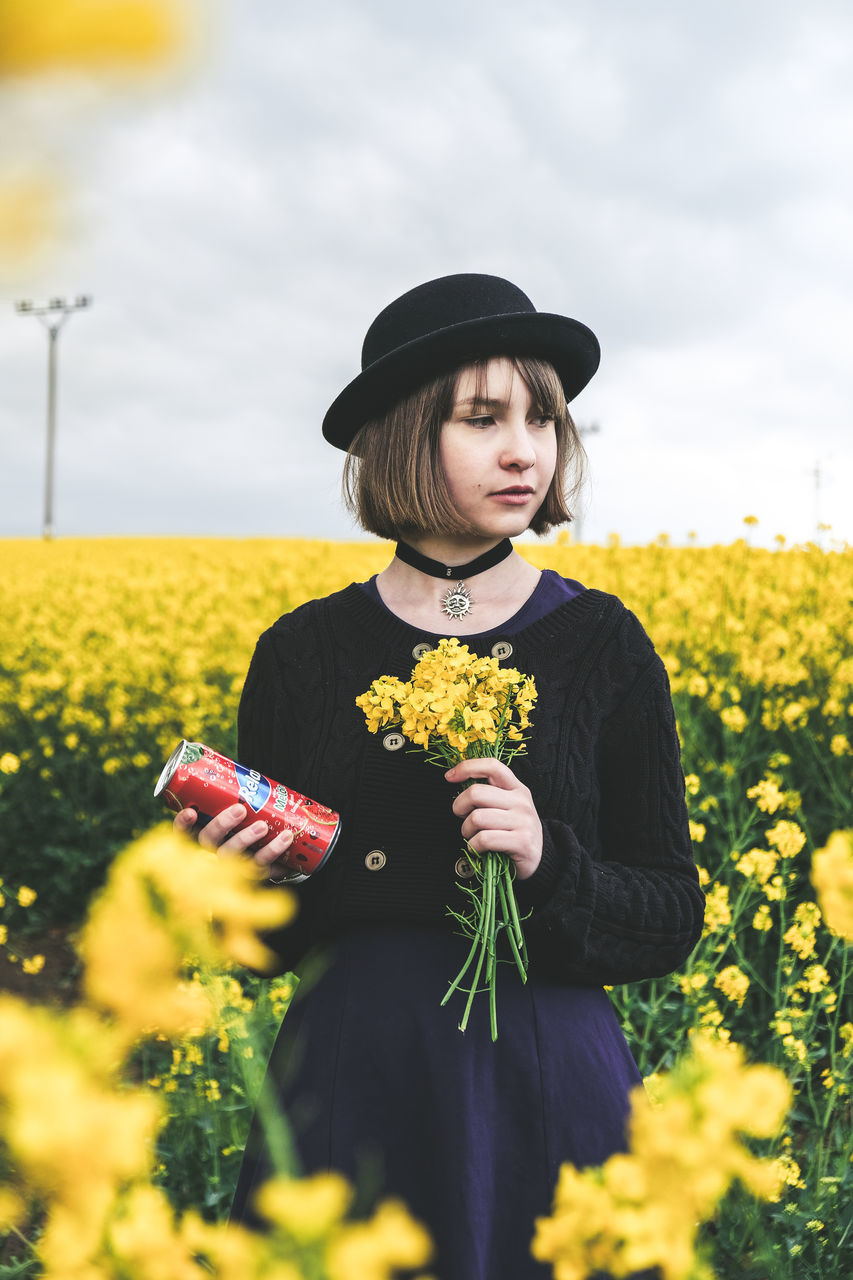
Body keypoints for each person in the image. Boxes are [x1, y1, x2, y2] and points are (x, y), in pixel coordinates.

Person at [173, 273, 705, 1280]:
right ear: (402, 436)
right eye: (481, 417)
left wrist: (548, 860)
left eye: (543, 417)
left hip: (548, 1076)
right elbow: (267, 946)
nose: (524, 447)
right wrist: (241, 882)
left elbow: (668, 911)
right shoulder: (304, 651)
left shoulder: (602, 644)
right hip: (358, 1071)